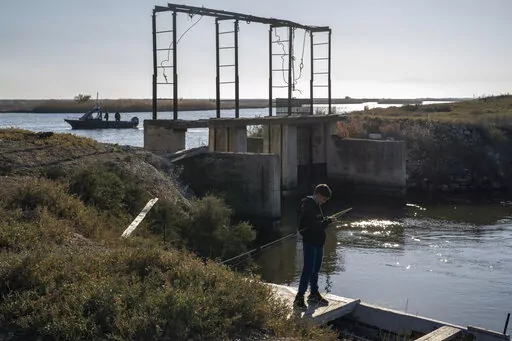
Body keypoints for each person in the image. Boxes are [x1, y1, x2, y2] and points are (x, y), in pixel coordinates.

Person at [293, 184, 333, 309]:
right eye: (324, 199)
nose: (324, 202)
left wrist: (326, 220)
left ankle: (314, 293)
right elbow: (312, 224)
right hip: (310, 242)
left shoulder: (318, 205)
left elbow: (319, 222)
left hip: (319, 242)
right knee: (308, 270)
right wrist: (326, 222)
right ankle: (299, 298)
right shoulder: (307, 205)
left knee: (316, 269)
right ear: (319, 195)